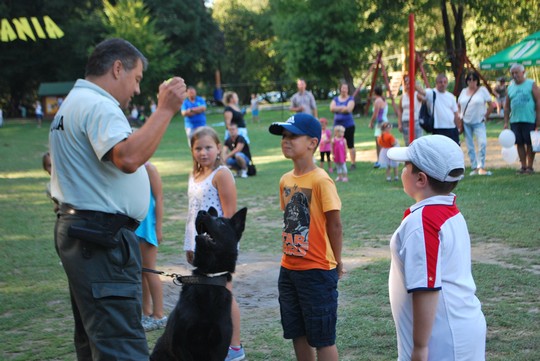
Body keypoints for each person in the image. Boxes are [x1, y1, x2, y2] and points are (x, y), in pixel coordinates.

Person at [49, 38, 187, 361]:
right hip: (100, 241)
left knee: (96, 342)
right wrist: (165, 109)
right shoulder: (97, 105)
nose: (137, 90)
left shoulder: (73, 103)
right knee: (120, 347)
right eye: (137, 79)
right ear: (117, 68)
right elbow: (127, 157)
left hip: (84, 236)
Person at [387, 134, 486, 361]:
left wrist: (420, 347)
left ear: (420, 179)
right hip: (457, 329)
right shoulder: (446, 210)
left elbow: (426, 288)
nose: (402, 171)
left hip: (442, 340)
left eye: (406, 166)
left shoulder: (424, 222)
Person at [268, 113, 344, 361]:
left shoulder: (321, 180)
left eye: (293, 136)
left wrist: (337, 261)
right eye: (284, 136)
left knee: (322, 338)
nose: (285, 141)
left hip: (317, 271)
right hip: (288, 269)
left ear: (312, 143)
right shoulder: (285, 180)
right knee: (297, 332)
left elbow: (334, 224)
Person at [184, 126, 246, 361]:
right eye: (198, 148)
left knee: (223, 294)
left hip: (218, 249)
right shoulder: (195, 175)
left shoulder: (222, 174)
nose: (203, 152)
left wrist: (221, 250)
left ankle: (235, 347)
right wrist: (191, 244)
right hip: (200, 245)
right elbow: (192, 214)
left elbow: (229, 221)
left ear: (219, 148)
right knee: (207, 296)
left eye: (208, 147)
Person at [136, 162, 166, 332]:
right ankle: (146, 313)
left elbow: (159, 198)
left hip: (148, 227)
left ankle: (159, 315)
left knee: (150, 270)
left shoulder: (149, 168)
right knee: (140, 271)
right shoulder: (130, 167)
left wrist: (158, 228)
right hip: (135, 226)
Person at [504, 63, 540, 174]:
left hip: (529, 118)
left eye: (517, 73)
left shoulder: (531, 84)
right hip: (515, 120)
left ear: (523, 72)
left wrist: (538, 121)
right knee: (519, 143)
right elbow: (506, 106)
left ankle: (530, 166)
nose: (514, 75)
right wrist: (506, 122)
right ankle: (523, 166)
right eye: (512, 73)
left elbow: (538, 101)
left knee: (530, 143)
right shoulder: (510, 87)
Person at [457, 71, 495, 176]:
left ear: (477, 81)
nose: (472, 82)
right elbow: (459, 104)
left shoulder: (482, 90)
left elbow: (491, 105)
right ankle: (474, 167)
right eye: (469, 79)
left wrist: (485, 116)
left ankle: (481, 166)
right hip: (466, 122)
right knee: (470, 146)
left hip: (479, 122)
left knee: (482, 143)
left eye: (474, 79)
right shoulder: (464, 92)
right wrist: (460, 117)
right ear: (467, 81)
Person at [417, 73, 462, 144]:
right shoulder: (432, 93)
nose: (443, 84)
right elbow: (422, 92)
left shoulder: (450, 96)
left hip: (451, 127)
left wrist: (458, 127)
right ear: (436, 83)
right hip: (438, 127)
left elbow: (455, 113)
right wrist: (412, 82)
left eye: (445, 82)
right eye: (440, 82)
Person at [330, 82, 357, 169]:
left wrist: (337, 109)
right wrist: (342, 108)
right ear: (340, 89)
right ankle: (337, 163)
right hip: (337, 126)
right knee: (336, 144)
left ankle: (353, 163)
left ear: (348, 90)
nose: (344, 90)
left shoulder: (351, 99)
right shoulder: (335, 99)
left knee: (350, 144)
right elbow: (331, 108)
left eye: (346, 88)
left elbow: (349, 109)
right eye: (343, 88)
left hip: (349, 125)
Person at [398, 75, 423, 146]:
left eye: (410, 83)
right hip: (405, 122)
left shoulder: (417, 95)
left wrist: (416, 87)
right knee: (408, 144)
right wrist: (399, 123)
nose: (408, 86)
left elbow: (425, 97)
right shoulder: (403, 97)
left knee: (418, 143)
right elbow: (400, 111)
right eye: (406, 84)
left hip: (416, 121)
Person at [368, 86, 388, 168]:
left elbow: (375, 114)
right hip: (385, 122)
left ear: (374, 92)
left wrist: (371, 123)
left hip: (380, 123)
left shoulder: (377, 101)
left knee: (379, 143)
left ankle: (381, 161)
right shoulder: (383, 100)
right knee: (384, 142)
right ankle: (383, 161)